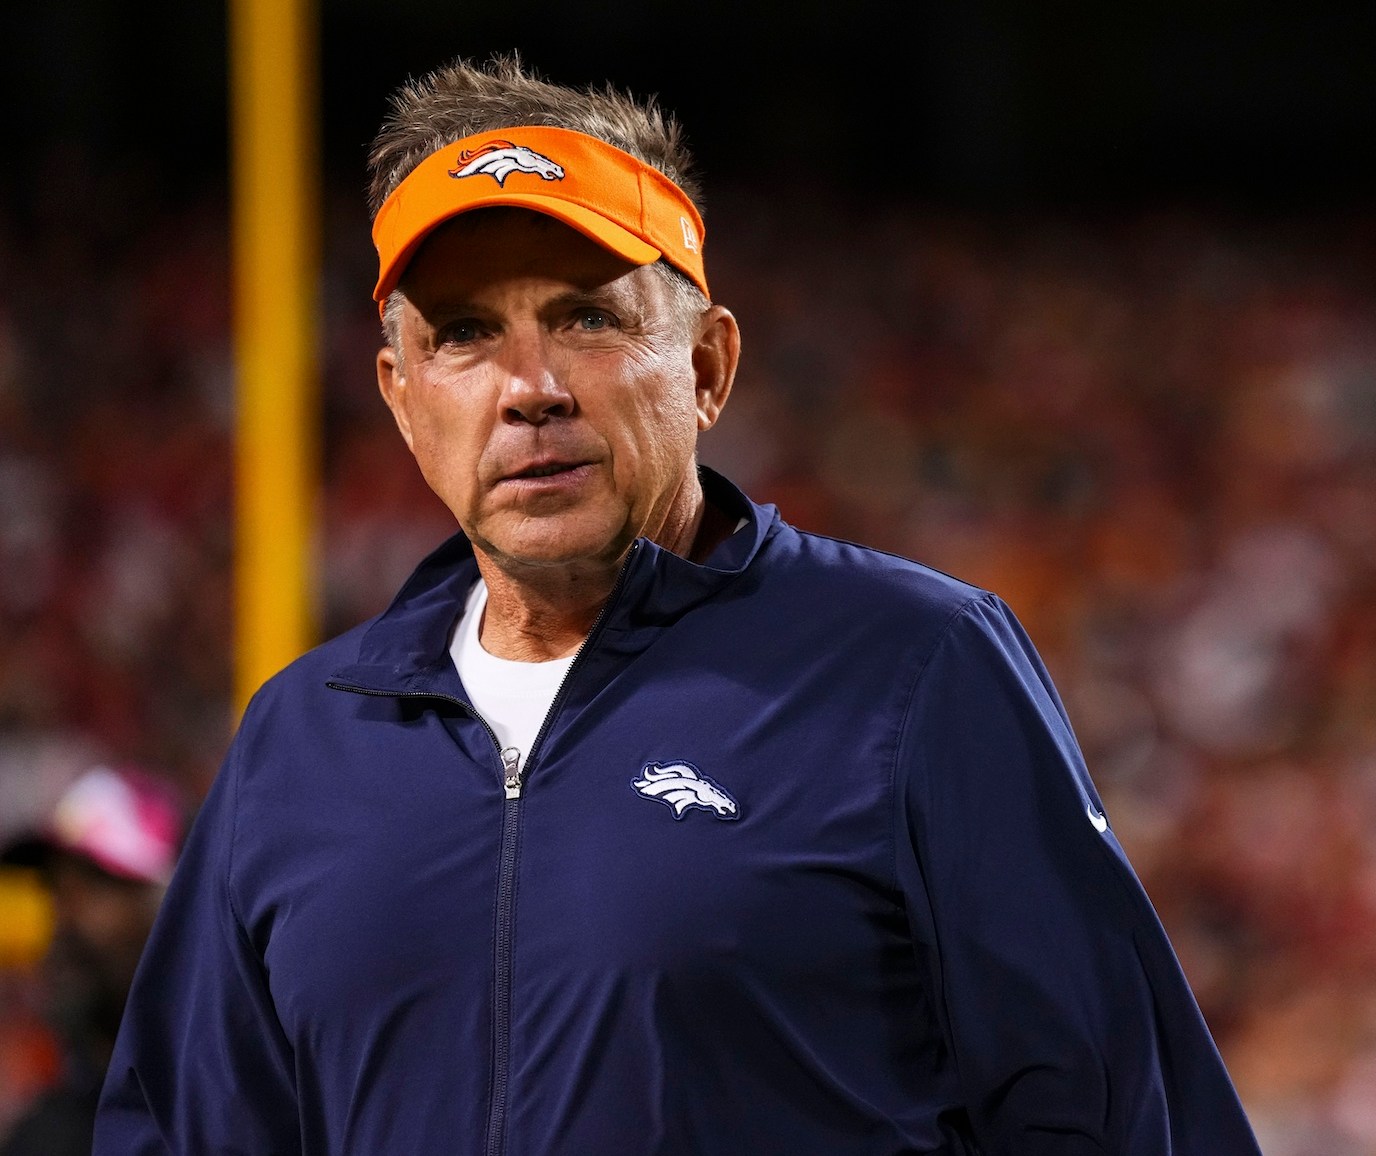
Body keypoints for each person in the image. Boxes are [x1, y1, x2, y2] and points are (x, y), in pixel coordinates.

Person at [96, 55, 1261, 1155]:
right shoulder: (303, 739)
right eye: (463, 335)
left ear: (706, 366)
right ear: (401, 399)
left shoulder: (910, 667)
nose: (531, 389)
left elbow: (1122, 1116)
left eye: (587, 317)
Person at [0, 767, 183, 1156]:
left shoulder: (236, 1109)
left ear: (166, 906)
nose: (62, 920)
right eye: (55, 893)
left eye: (92, 888)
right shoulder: (46, 1134)